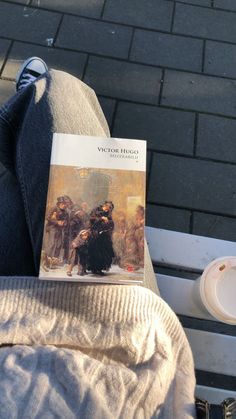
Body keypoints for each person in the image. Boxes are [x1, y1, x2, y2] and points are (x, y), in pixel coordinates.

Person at [0, 57, 196, 418]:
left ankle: (28, 104)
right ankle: (26, 115)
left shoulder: (101, 218)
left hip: (15, 344)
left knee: (54, 93)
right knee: (59, 97)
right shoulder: (87, 213)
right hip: (127, 356)